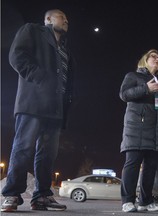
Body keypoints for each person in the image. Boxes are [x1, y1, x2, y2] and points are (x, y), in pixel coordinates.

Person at [1, 9, 74, 212]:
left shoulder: (65, 49)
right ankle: (12, 194)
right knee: (23, 147)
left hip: (55, 107)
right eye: (62, 16)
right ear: (48, 19)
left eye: (67, 18)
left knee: (48, 154)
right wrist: (40, 78)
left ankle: (42, 196)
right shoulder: (32, 31)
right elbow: (17, 56)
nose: (66, 19)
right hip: (32, 102)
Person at [119, 49, 158, 212]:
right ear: (145, 60)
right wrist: (146, 89)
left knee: (150, 166)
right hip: (137, 128)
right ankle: (127, 201)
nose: (157, 59)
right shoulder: (133, 76)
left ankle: (145, 201)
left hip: (156, 131)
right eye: (153, 57)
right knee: (132, 163)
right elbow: (124, 94)